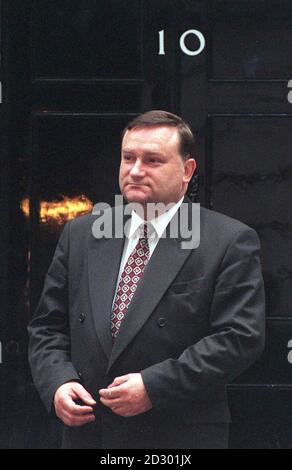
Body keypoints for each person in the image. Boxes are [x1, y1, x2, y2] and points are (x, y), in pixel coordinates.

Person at [28, 110, 265, 449]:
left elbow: (240, 337)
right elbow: (47, 328)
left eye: (153, 160)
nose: (136, 170)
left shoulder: (228, 240)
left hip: (177, 434)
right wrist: (57, 383)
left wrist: (154, 387)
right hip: (88, 435)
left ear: (187, 171)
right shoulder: (81, 235)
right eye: (128, 158)